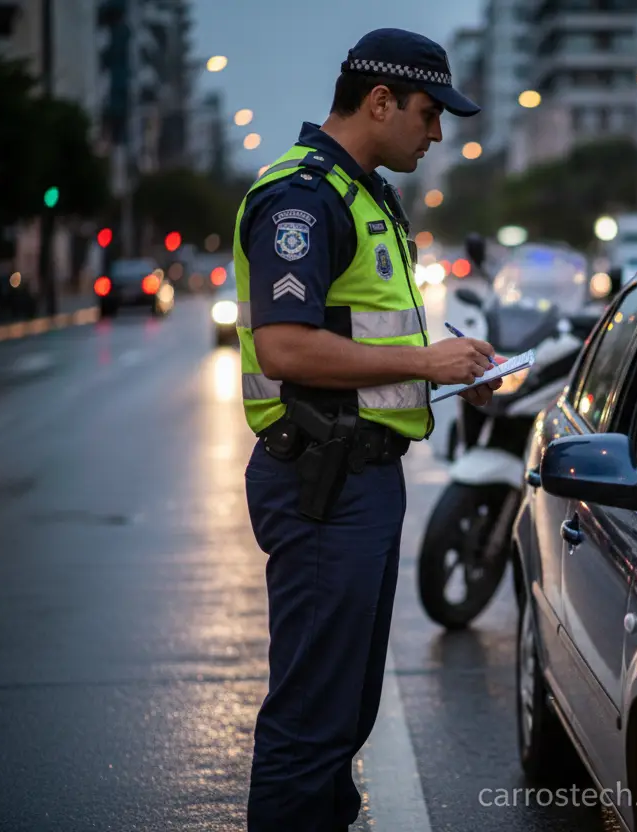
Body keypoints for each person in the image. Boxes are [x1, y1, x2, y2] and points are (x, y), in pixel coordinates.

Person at [232, 29, 500, 831]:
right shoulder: (303, 199)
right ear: (379, 102)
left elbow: (358, 338)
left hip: (360, 478)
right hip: (323, 485)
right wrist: (425, 364)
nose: (437, 132)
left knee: (342, 714)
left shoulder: (363, 191)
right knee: (312, 720)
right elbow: (284, 346)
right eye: (428, 113)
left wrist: (451, 372)